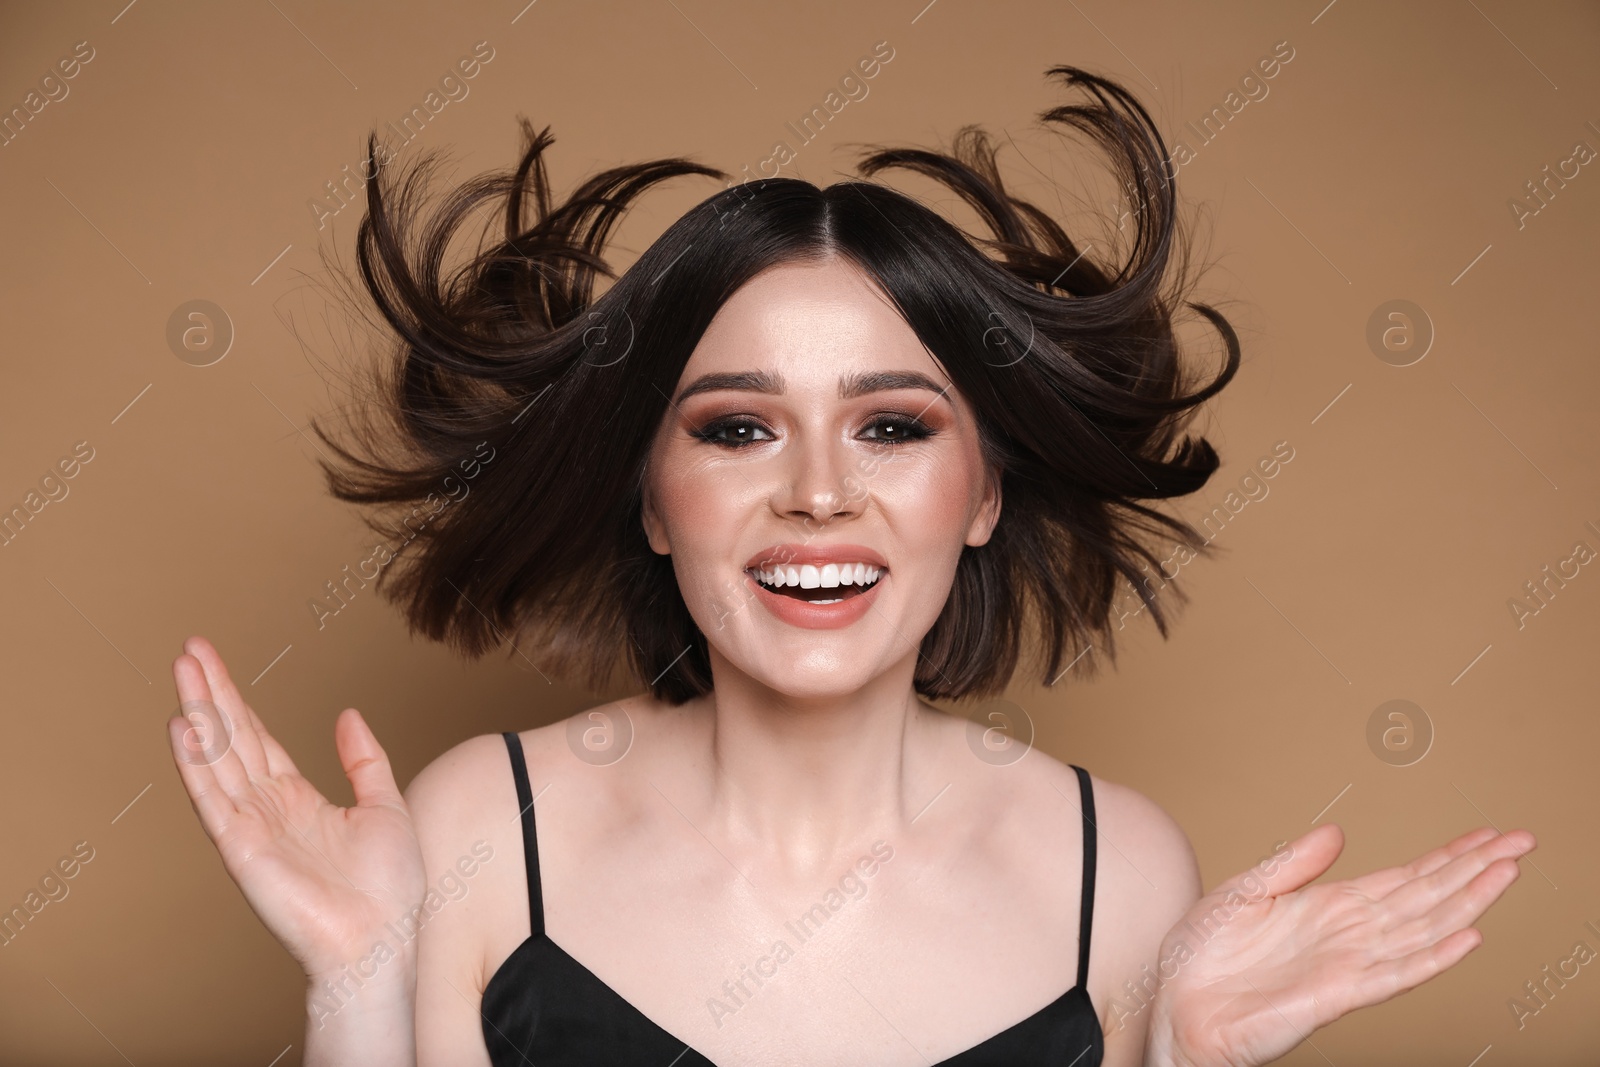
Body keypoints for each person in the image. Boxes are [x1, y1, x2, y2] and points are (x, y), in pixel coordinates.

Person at [166, 66, 1534, 1066]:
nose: (818, 492)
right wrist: (359, 984)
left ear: (985, 492)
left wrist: (1188, 1056)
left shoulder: (1120, 873)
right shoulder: (483, 830)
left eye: (890, 426)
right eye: (739, 428)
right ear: (651, 499)